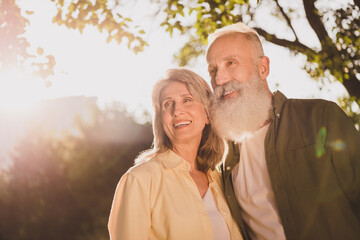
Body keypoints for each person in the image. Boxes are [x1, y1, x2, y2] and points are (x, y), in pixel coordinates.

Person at [206, 22, 360, 240]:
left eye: (231, 63)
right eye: (213, 70)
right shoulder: (222, 158)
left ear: (263, 68)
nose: (219, 79)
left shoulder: (320, 117)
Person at [108, 68, 242, 240]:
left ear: (208, 114)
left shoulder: (221, 180)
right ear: (161, 120)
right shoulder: (140, 179)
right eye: (167, 104)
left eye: (187, 100)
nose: (177, 111)